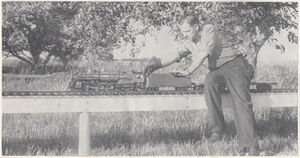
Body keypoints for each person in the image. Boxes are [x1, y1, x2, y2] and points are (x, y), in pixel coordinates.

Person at [143, 14, 259, 156]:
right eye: (182, 32)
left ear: (196, 27)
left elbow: (203, 53)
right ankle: (220, 131)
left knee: (241, 102)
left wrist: (188, 71)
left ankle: (250, 147)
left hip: (236, 65)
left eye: (187, 31)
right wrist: (154, 64)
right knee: (209, 82)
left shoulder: (208, 30)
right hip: (218, 71)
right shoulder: (189, 42)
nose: (185, 35)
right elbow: (173, 56)